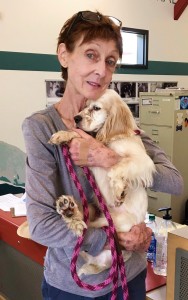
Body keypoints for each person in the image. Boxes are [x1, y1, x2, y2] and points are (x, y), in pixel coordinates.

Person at [22, 10, 183, 300]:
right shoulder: (41, 128)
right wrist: (113, 240)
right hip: (72, 287)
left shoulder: (121, 124)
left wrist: (111, 159)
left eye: (110, 61)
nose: (102, 70)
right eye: (91, 55)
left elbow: (175, 183)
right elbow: (41, 226)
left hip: (128, 279)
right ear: (64, 55)